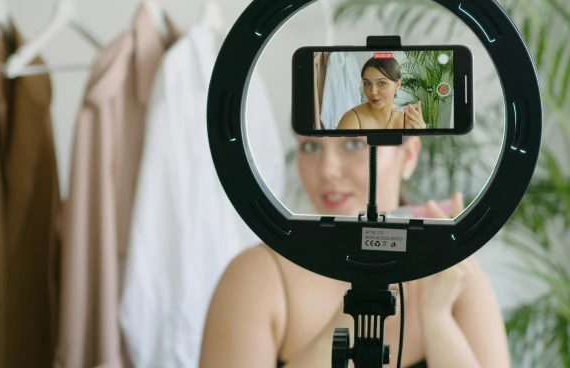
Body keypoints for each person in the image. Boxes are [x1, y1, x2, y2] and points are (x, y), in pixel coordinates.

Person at [199, 135, 511, 367]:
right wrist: (360, 297)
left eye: (354, 143)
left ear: (409, 155)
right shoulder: (258, 276)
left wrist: (436, 316)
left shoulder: (455, 276)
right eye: (310, 146)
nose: (327, 170)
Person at [336, 56, 426, 130]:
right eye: (367, 83)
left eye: (381, 83)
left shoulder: (409, 120)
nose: (373, 91)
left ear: (397, 85)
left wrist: (422, 134)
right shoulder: (352, 119)